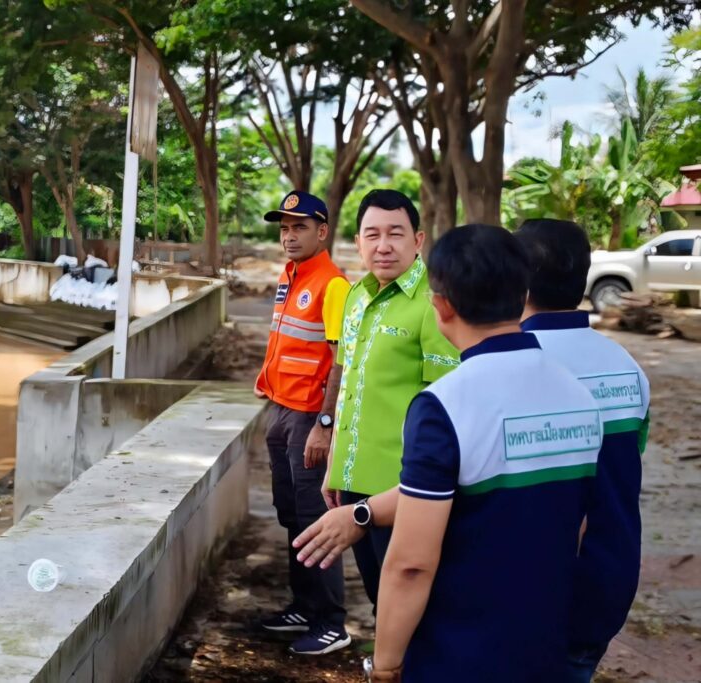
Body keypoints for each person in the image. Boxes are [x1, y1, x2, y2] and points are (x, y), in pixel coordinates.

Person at [295, 224, 604, 682]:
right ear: (523, 297)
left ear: (440, 306)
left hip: (458, 652)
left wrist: (385, 667)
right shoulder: (577, 395)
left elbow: (411, 564)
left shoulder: (445, 405)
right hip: (544, 642)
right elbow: (576, 525)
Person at [515, 219, 651, 682]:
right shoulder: (628, 368)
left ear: (517, 278)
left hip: (527, 598)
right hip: (609, 585)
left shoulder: (508, 368)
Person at [320, 189, 458, 612]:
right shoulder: (356, 298)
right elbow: (348, 388)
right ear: (358, 242)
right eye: (372, 234)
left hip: (405, 491)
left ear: (417, 240)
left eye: (395, 234)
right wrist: (334, 467)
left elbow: (448, 406)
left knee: (409, 605)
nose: (383, 246)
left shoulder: (433, 304)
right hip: (353, 484)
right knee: (382, 600)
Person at [254, 190, 352, 655]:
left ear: (322, 231)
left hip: (311, 416)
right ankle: (304, 606)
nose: (290, 236)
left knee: (315, 517)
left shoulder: (332, 284)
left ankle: (332, 621)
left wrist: (325, 425)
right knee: (291, 512)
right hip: (282, 408)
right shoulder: (290, 276)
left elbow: (340, 361)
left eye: (300, 227)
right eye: (285, 227)